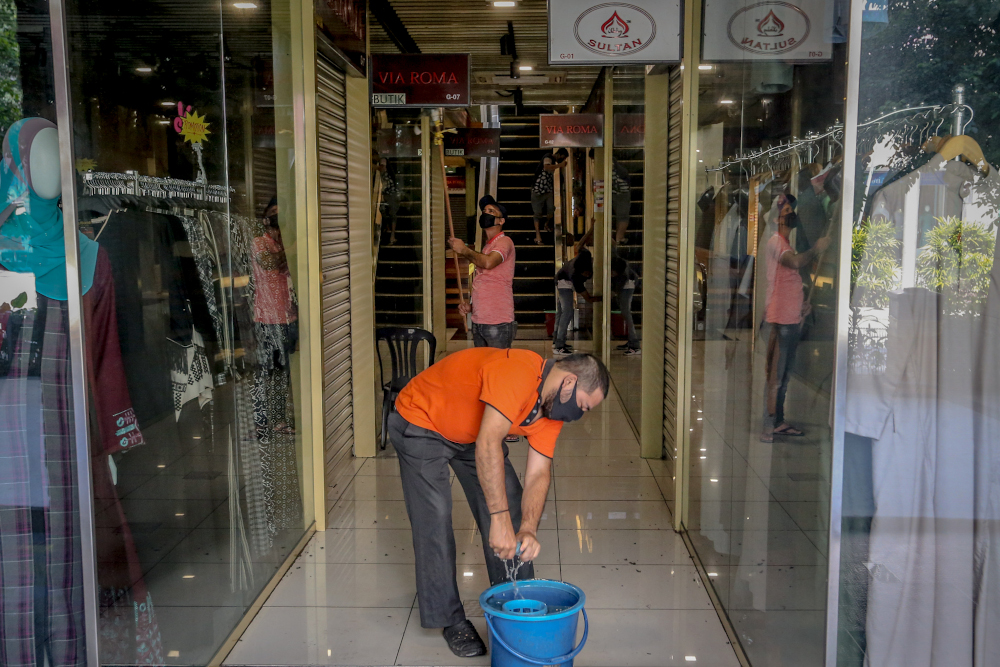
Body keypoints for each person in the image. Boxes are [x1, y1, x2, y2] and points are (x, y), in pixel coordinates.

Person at [389, 348, 610, 657]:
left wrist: (528, 529)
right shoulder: (516, 372)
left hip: (471, 433)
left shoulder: (551, 409)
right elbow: (490, 441)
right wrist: (499, 519)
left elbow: (539, 473)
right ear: (569, 382)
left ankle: (517, 603)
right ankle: (450, 620)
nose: (579, 414)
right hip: (421, 420)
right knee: (435, 518)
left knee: (514, 505)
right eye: (583, 406)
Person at [761, 194, 829, 443]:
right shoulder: (777, 243)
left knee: (783, 375)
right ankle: (770, 424)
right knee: (776, 376)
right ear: (778, 218)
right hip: (780, 321)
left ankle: (777, 421)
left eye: (792, 209)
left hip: (789, 317)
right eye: (787, 210)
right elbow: (796, 262)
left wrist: (801, 305)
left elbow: (789, 281)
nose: (792, 214)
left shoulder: (784, 243)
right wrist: (817, 249)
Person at [447, 195, 517, 349]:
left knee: (496, 369)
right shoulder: (487, 247)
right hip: (480, 321)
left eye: (491, 211)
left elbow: (488, 262)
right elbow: (487, 283)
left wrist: (464, 250)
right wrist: (472, 306)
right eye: (484, 211)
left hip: (497, 322)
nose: (485, 213)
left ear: (501, 220)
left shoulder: (505, 242)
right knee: (483, 368)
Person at [553, 248, 601, 356]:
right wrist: (601, 299)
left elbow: (581, 246)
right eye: (585, 274)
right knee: (567, 313)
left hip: (561, 280)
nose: (587, 275)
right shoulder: (576, 275)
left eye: (588, 273)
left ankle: (557, 341)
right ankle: (559, 346)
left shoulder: (585, 257)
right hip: (564, 283)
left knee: (561, 313)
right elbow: (588, 298)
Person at [530, 147, 569, 245]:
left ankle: (547, 223)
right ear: (559, 154)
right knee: (537, 213)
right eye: (563, 157)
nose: (563, 160)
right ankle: (538, 235)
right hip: (538, 189)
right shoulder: (548, 157)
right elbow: (546, 167)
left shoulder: (553, 162)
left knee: (551, 209)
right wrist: (560, 165)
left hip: (547, 190)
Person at [611, 254, 641, 355]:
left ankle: (635, 345)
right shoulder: (620, 264)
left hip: (627, 288)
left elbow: (617, 288)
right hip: (628, 286)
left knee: (626, 314)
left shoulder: (623, 276)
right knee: (625, 314)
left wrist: (613, 292)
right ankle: (631, 341)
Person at [377, 158, 402, 245]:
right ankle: (389, 230)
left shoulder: (385, 174)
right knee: (383, 210)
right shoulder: (385, 174)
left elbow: (382, 169)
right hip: (388, 195)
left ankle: (392, 234)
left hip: (391, 195)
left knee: (391, 214)